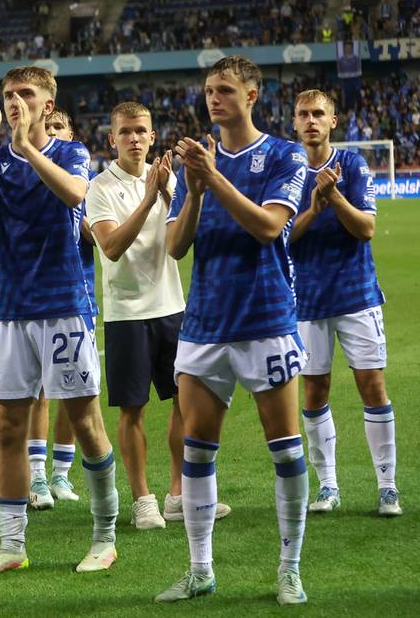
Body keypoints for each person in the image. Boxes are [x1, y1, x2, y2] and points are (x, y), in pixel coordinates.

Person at [0, 67, 120, 577]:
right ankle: (12, 546)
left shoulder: (71, 152)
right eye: (8, 94)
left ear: (48, 104)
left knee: (85, 422)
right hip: (6, 308)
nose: (14, 101)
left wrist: (27, 147)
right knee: (8, 427)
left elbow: (74, 194)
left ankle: (105, 537)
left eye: (25, 93)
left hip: (62, 304)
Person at [155, 56, 310, 605]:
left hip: (265, 320)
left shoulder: (284, 154)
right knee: (197, 451)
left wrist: (213, 177)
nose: (213, 99)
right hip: (203, 325)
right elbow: (175, 247)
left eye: (224, 89)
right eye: (208, 90)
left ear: (251, 95)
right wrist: (195, 190)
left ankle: (289, 570)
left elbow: (269, 227)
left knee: (285, 450)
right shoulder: (197, 163)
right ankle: (200, 570)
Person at [86, 102, 231, 529]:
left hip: (172, 307)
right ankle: (142, 499)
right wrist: (149, 197)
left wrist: (176, 191)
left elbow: (182, 239)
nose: (134, 138)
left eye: (141, 131)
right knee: (132, 411)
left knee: (185, 402)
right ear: (112, 139)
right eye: (125, 131)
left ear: (152, 137)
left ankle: (177, 495)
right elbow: (111, 247)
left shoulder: (168, 180)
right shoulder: (100, 188)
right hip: (127, 314)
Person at [290, 88, 399, 517]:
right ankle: (328, 486)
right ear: (294, 122)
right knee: (314, 391)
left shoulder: (352, 165)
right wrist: (315, 208)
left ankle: (387, 487)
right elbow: (281, 236)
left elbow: (366, 228)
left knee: (372, 387)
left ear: (333, 121)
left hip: (357, 295)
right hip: (307, 300)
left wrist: (334, 196)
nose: (311, 120)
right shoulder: (288, 170)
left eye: (319, 113)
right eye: (304, 114)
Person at [26, 107, 83, 508]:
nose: (53, 131)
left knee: (75, 389)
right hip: (38, 296)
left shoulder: (82, 176)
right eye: (47, 127)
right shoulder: (28, 175)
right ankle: (37, 476)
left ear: (71, 134)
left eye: (59, 126)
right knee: (41, 389)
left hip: (79, 294)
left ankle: (62, 473)